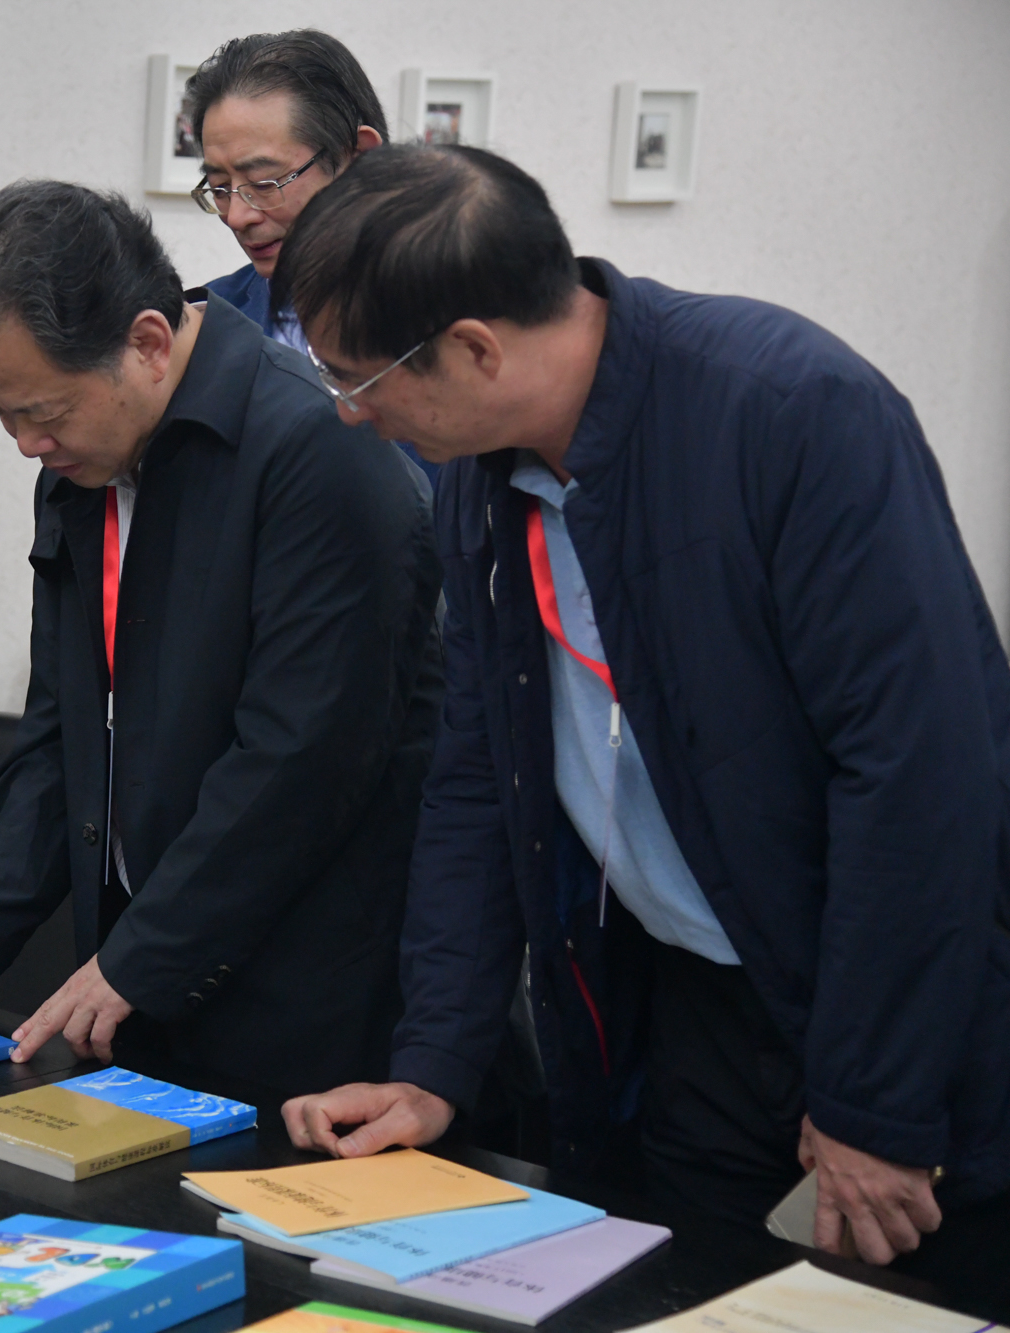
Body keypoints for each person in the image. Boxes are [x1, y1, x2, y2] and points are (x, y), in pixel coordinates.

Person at [273, 143, 1010, 1301]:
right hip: (682, 1006)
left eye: (359, 379)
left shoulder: (791, 413)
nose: (351, 414)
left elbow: (919, 778)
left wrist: (872, 1103)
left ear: (473, 348)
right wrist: (434, 1062)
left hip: (887, 1005)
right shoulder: (479, 472)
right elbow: (477, 775)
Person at [0, 182, 442, 1095]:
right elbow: (64, 726)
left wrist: (143, 955)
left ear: (146, 343)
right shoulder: (83, 463)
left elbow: (299, 762)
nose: (26, 444)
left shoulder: (322, 454)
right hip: (142, 977)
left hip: (306, 998)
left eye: (44, 411)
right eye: (2, 415)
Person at [184, 30, 436, 486]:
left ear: (359, 158)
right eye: (219, 188)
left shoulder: (457, 314)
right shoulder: (207, 327)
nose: (238, 216)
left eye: (265, 184)